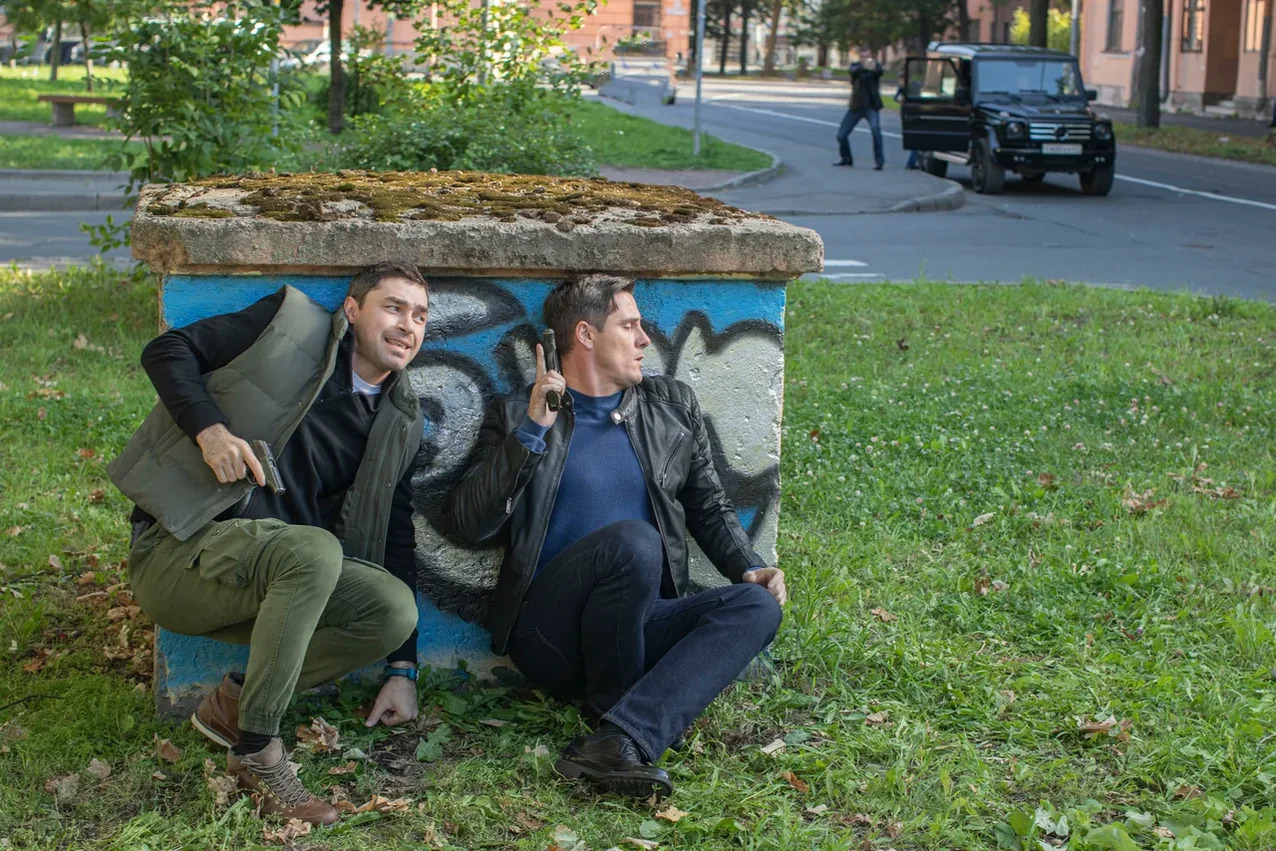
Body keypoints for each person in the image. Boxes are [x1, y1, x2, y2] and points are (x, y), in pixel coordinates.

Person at [110, 262, 431, 824]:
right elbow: (167, 351)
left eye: (421, 316)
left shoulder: (398, 421)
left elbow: (396, 535)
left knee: (392, 609)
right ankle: (258, 750)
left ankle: (235, 705)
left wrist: (402, 669)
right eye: (394, 307)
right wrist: (210, 432)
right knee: (314, 551)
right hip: (178, 553)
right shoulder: (289, 325)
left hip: (274, 573)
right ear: (352, 310)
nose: (409, 325)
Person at [445, 274, 786, 799]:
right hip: (551, 636)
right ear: (586, 334)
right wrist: (532, 430)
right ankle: (621, 706)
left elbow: (709, 507)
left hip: (638, 627)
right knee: (633, 541)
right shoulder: (518, 413)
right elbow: (470, 522)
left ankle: (620, 739)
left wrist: (749, 566)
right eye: (629, 326)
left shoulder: (671, 408)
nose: (645, 338)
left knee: (757, 606)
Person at [835, 49, 885, 170]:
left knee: (875, 130)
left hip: (871, 107)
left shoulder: (875, 67)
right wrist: (864, 67)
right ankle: (846, 158)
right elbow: (853, 71)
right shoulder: (856, 67)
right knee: (841, 135)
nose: (865, 59)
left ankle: (879, 161)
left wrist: (871, 67)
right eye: (862, 57)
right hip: (856, 107)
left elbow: (879, 71)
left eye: (867, 57)